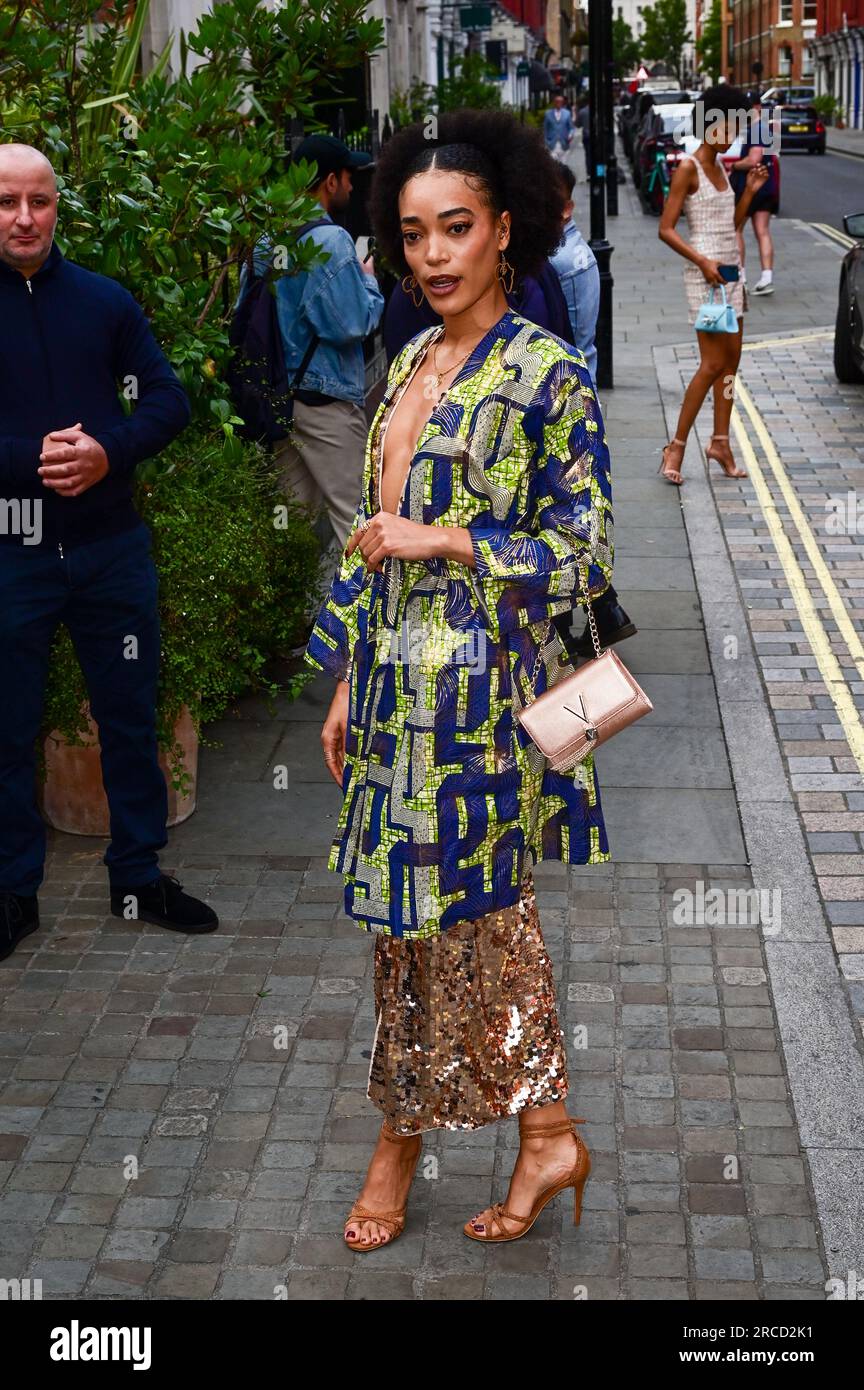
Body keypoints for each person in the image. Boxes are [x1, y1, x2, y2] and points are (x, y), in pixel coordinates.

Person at [303, 109, 614, 1251]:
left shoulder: (547, 376)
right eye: (414, 233)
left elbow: (585, 555)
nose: (433, 255)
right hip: (393, 699)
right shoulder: (409, 365)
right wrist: (342, 676)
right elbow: (370, 538)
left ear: (505, 230)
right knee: (415, 926)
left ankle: (419, 1137)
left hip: (484, 702)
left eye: (457, 229)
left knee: (478, 923)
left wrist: (456, 541)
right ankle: (530, 1130)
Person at [0, 143, 218, 962]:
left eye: (40, 201)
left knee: (130, 718)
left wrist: (108, 453)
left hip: (110, 546)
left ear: (60, 206)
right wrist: (32, 460)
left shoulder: (103, 301)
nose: (24, 218)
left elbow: (169, 397)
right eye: (7, 202)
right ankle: (14, 891)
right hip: (10, 546)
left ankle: (136, 873)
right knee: (6, 729)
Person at [264, 134, 384, 555]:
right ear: (330, 181)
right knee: (360, 520)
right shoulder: (330, 241)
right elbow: (351, 323)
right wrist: (368, 283)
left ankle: (295, 617)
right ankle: (367, 617)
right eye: (349, 177)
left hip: (280, 399)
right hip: (326, 400)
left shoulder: (267, 236)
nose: (353, 187)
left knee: (293, 526)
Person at [657, 85, 769, 483]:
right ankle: (677, 446)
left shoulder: (722, 167)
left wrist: (751, 193)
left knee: (730, 367)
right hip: (704, 278)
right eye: (731, 125)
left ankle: (720, 441)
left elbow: (732, 226)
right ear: (710, 123)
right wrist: (702, 261)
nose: (735, 133)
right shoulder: (688, 167)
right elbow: (666, 229)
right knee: (711, 365)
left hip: (732, 275)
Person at [549, 162, 636, 658]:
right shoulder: (570, 254)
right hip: (578, 398)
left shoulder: (563, 261)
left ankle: (594, 613)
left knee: (568, 518)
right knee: (579, 516)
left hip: (569, 404)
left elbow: (566, 343)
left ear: (565, 206)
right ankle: (605, 609)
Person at [729, 98, 778, 296]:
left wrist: (734, 166)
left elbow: (754, 159)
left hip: (751, 185)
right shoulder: (761, 129)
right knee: (762, 231)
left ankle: (742, 277)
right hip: (765, 186)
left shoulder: (758, 129)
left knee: (737, 229)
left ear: (757, 108)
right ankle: (766, 278)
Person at [543, 93, 574, 162]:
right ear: (554, 102)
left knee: (563, 165)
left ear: (563, 103)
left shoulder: (567, 113)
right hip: (552, 144)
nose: (558, 103)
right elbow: (545, 129)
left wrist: (570, 135)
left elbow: (571, 128)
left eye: (560, 102)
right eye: (557, 102)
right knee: (553, 165)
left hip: (564, 143)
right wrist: (546, 141)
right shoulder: (547, 113)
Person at [575, 98, 591, 180]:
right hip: (599, 138)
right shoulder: (601, 110)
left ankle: (589, 174)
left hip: (587, 137)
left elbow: (577, 125)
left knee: (588, 155)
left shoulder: (582, 112)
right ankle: (600, 174)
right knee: (600, 157)